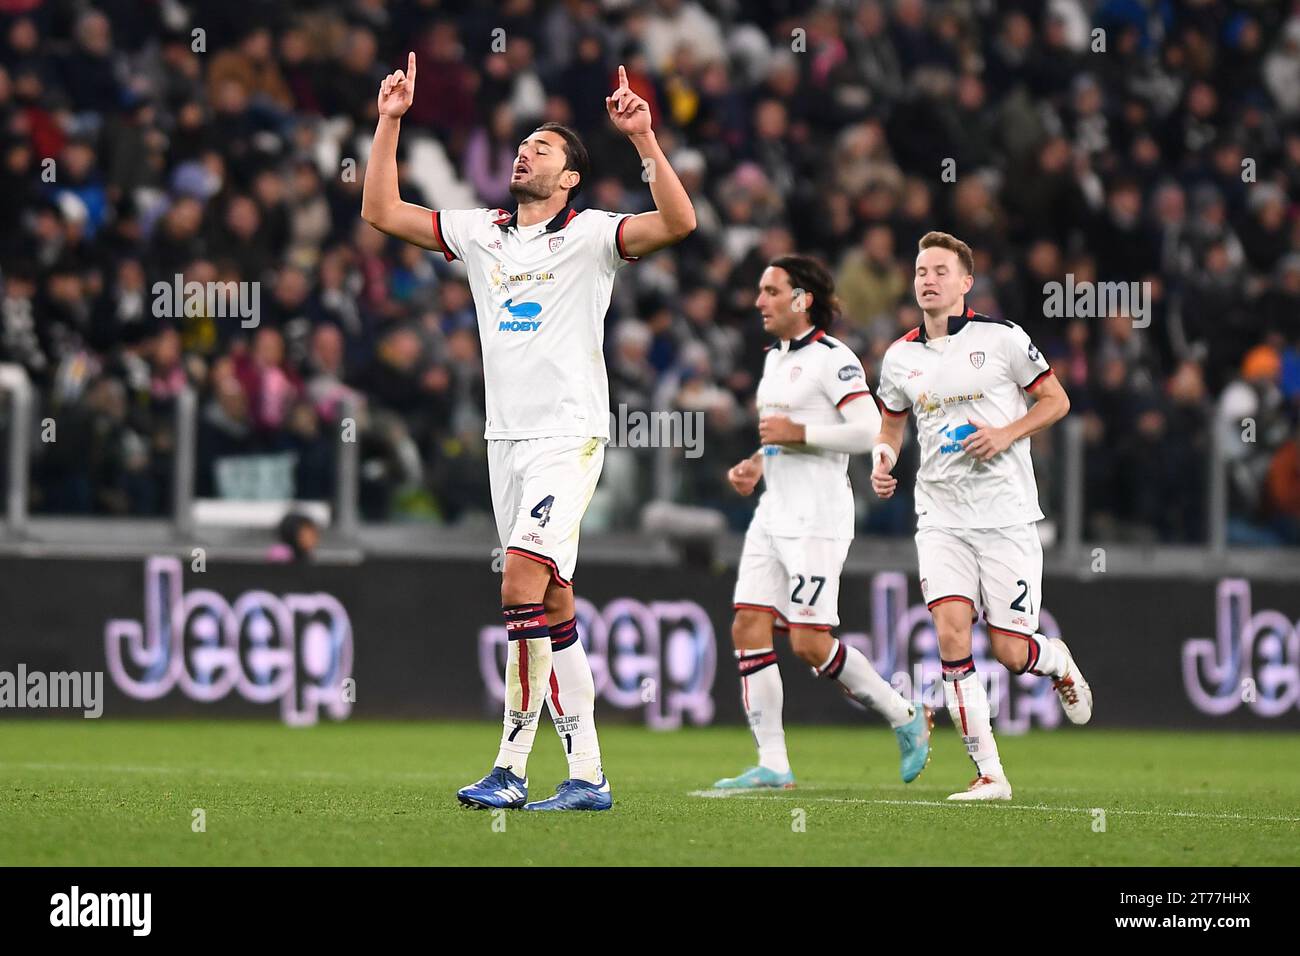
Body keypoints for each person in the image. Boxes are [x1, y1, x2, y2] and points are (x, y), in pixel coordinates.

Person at [361, 55, 696, 810]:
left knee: (517, 580)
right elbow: (382, 211)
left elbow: (679, 222)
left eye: (543, 149)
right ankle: (588, 778)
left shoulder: (593, 237)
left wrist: (644, 140)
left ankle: (511, 768)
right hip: (504, 439)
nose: (525, 153)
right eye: (524, 146)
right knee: (552, 603)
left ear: (571, 177)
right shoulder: (483, 233)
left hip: (567, 435)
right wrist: (389, 122)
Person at [871, 231, 1092, 802]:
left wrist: (1004, 434)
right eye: (921, 270)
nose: (928, 279)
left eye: (941, 270)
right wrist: (883, 457)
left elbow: (1056, 401)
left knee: (1012, 653)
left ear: (966, 283)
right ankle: (989, 773)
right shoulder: (899, 357)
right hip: (940, 517)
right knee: (950, 632)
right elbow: (892, 420)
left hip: (1006, 518)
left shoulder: (1003, 340)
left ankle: (1057, 661)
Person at [715, 255, 932, 790]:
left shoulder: (834, 360)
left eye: (770, 291)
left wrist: (797, 436)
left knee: (810, 644)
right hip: (774, 513)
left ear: (801, 299)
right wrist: (756, 464)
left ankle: (904, 715)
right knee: (747, 625)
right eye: (760, 291)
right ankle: (774, 763)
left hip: (817, 517)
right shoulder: (773, 359)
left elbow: (867, 432)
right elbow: (780, 434)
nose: (759, 300)